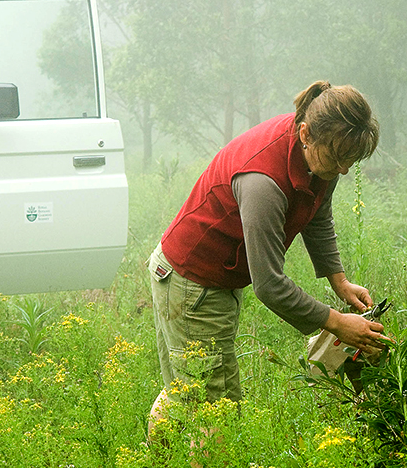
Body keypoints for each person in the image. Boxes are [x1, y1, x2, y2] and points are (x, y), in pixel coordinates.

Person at [147, 80, 389, 420]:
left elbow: (317, 214)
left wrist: (340, 282)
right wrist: (336, 323)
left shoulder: (320, 151)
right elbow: (270, 285)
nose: (344, 170)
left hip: (208, 279)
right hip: (191, 283)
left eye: (350, 160)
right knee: (216, 411)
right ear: (305, 134)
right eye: (338, 159)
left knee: (188, 390)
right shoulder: (264, 182)